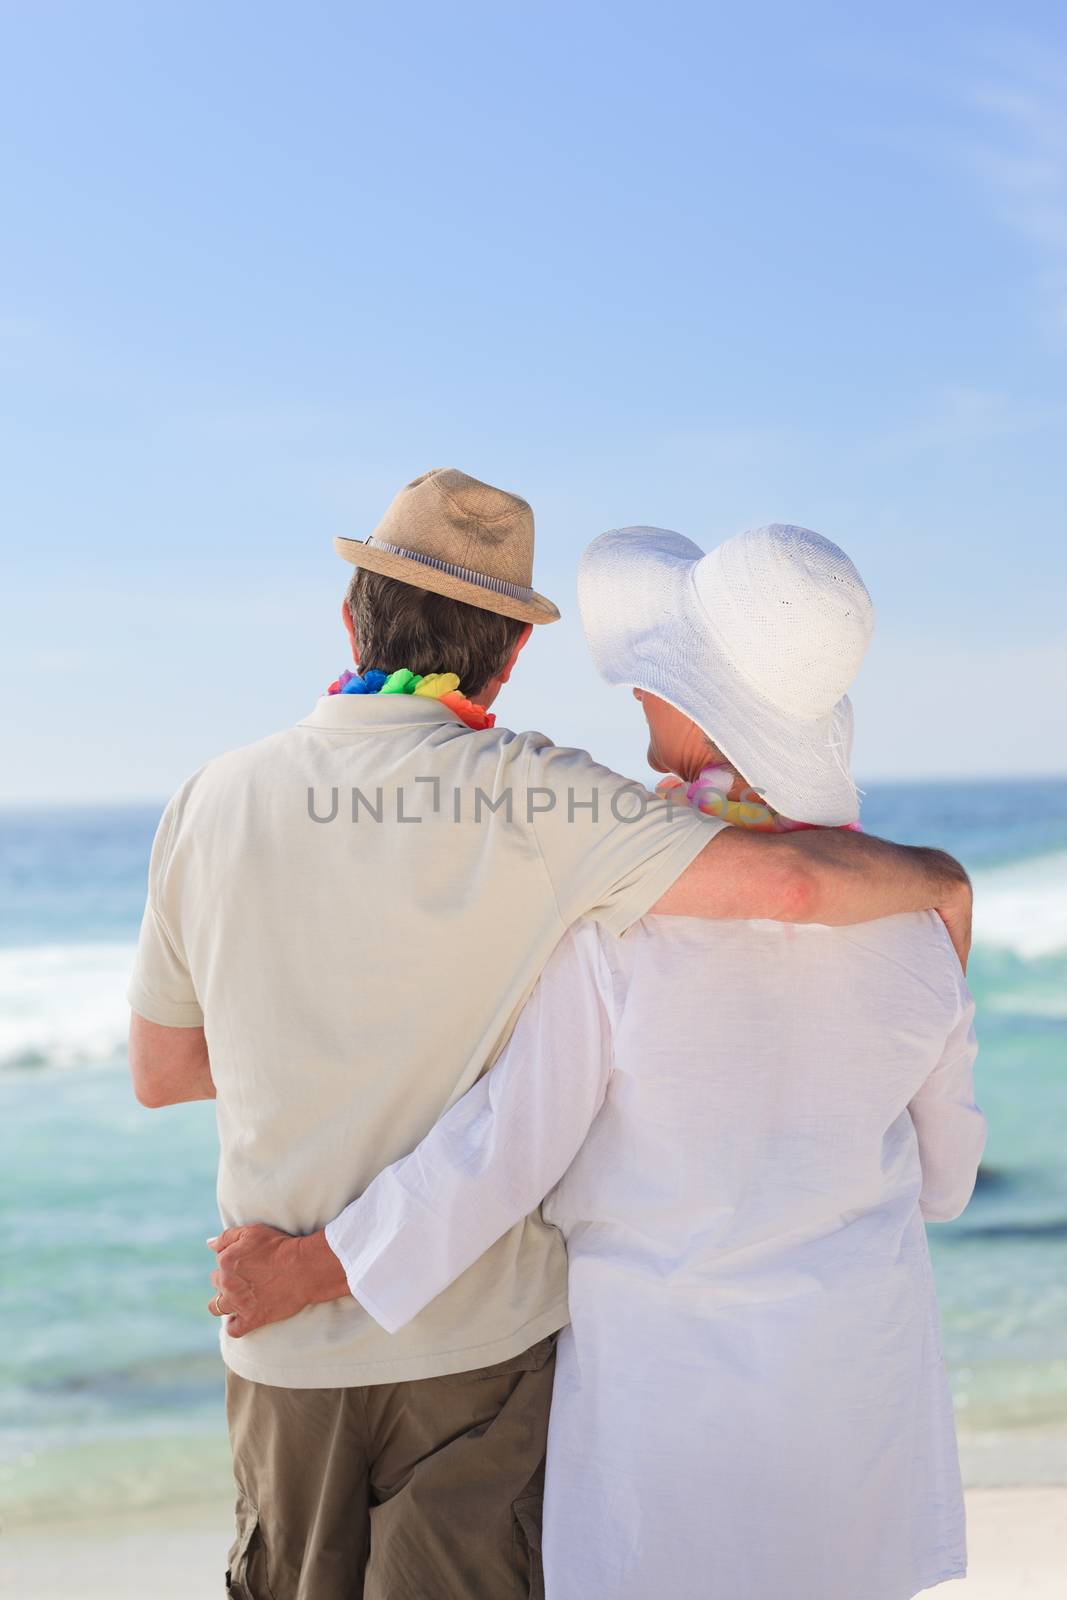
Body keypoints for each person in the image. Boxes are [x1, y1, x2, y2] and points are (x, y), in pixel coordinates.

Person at [129, 475, 972, 1600]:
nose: (630, 709)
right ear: (508, 657)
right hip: (748, 1382)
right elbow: (938, 1165)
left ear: (350, 614)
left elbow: (185, 1075)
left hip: (484, 1371)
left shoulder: (213, 797)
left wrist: (317, 1237)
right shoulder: (576, 816)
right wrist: (943, 886)